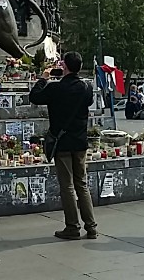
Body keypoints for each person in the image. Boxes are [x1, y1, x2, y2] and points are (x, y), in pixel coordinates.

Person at [30, 51, 97, 240]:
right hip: (80, 142)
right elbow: (88, 102)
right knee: (81, 183)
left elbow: (35, 97)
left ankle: (72, 227)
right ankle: (91, 226)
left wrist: (43, 79)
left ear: (64, 67)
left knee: (67, 186)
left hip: (62, 143)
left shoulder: (55, 88)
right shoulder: (86, 88)